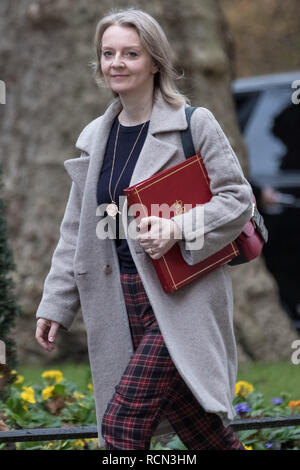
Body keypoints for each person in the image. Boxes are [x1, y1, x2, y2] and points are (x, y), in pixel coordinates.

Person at [35, 8, 253, 450]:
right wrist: (55, 304)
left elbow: (238, 199)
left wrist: (178, 227)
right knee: (202, 433)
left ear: (154, 61)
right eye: (107, 53)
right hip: (118, 299)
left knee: (121, 428)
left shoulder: (194, 123)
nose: (115, 63)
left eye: (129, 54)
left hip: (180, 297)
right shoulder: (96, 136)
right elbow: (77, 229)